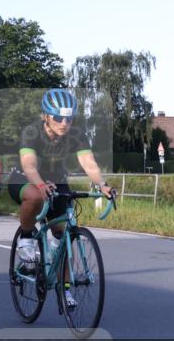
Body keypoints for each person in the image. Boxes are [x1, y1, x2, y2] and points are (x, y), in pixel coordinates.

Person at [8, 88, 114, 308]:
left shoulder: (76, 134)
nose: (64, 122)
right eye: (58, 117)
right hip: (25, 178)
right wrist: (39, 183)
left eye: (69, 118)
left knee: (65, 236)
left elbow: (88, 163)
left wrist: (102, 184)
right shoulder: (32, 131)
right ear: (46, 116)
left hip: (56, 181)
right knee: (36, 196)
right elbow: (29, 164)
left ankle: (64, 290)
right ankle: (26, 236)